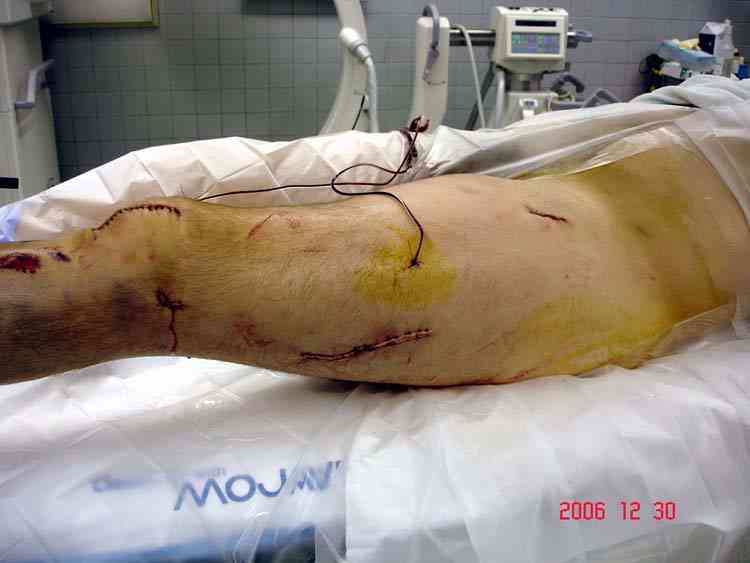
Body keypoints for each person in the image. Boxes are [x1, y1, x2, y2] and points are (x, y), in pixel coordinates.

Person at [1, 137, 748, 386]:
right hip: (638, 176)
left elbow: (150, 277)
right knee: (147, 268)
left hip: (651, 248)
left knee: (154, 273)